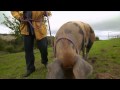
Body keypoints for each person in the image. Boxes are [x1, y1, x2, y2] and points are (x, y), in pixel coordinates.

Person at [11, 11, 52, 77]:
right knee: (28, 50)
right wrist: (19, 17)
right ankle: (30, 68)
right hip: (26, 27)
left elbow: (48, 13)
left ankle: (45, 61)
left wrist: (46, 13)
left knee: (43, 47)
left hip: (39, 27)